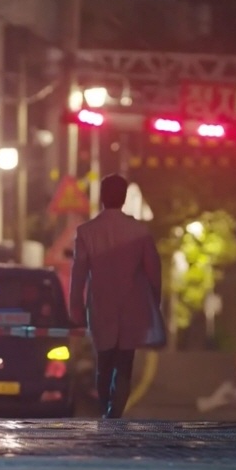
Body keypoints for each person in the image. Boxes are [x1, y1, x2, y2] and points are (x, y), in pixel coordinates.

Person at [69, 173, 165, 419]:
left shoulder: (87, 232)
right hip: (132, 307)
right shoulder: (139, 231)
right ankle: (116, 413)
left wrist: (75, 308)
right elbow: (154, 272)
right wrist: (154, 303)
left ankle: (105, 409)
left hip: (100, 306)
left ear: (102, 197)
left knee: (104, 361)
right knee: (124, 363)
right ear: (124, 198)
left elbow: (78, 274)